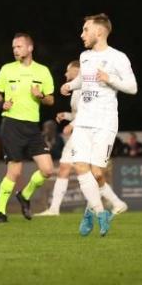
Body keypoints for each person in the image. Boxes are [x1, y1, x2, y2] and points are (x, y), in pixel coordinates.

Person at [60, 13, 137, 236]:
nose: (81, 34)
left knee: (97, 173)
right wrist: (70, 85)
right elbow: (84, 79)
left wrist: (110, 79)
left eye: (86, 29)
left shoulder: (118, 57)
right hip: (84, 120)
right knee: (80, 167)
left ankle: (90, 210)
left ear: (99, 32)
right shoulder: (84, 56)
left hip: (105, 122)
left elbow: (132, 87)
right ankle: (100, 212)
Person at [36, 60, 127, 217]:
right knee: (68, 168)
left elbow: (90, 112)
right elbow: (79, 113)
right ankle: (55, 209)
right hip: (81, 131)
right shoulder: (78, 88)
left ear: (77, 70)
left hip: (86, 133)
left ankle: (111, 204)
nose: (65, 74)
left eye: (68, 70)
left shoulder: (87, 87)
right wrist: (67, 116)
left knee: (90, 173)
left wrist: (72, 124)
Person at [0, 33, 55, 224]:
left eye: (19, 46)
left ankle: (24, 195)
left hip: (32, 127)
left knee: (47, 169)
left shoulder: (42, 71)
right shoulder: (7, 70)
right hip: (11, 124)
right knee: (15, 171)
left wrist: (41, 96)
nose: (15, 50)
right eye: (13, 47)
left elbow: (51, 100)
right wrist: (2, 104)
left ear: (30, 48)